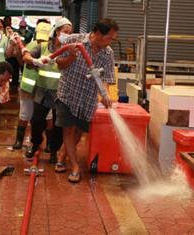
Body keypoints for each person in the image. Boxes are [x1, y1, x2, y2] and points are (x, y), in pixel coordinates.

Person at [55, 18, 119, 183]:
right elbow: (59, 64)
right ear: (98, 33)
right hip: (68, 93)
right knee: (68, 130)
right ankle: (75, 166)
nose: (110, 41)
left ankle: (62, 154)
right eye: (108, 37)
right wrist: (71, 56)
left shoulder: (108, 53)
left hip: (88, 98)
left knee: (78, 132)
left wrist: (105, 95)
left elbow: (107, 77)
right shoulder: (74, 40)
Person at [23, 17, 73, 163]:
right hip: (42, 91)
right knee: (37, 121)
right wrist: (34, 61)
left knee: (58, 125)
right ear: (57, 31)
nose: (68, 35)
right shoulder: (43, 47)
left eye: (70, 32)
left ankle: (53, 150)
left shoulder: (70, 49)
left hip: (61, 93)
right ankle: (36, 144)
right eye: (65, 31)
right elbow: (26, 56)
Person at [11, 22, 51, 150]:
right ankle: (19, 140)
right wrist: (18, 49)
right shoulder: (30, 46)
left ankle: (49, 144)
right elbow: (23, 61)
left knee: (48, 117)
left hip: (45, 88)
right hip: (28, 87)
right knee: (25, 114)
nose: (41, 40)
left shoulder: (52, 48)